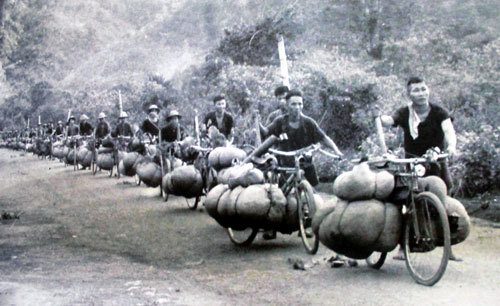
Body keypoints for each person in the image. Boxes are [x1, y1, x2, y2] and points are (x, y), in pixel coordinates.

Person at [376, 76, 459, 261]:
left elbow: (449, 132)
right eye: (416, 90)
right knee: (407, 203)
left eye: (423, 89)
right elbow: (390, 120)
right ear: (409, 94)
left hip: (436, 162)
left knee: (446, 201)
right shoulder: (405, 113)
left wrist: (451, 147)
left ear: (428, 90)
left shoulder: (439, 112)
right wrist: (379, 118)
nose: (421, 93)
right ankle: (402, 248)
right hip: (412, 164)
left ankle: (449, 248)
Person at [259, 89, 343, 240]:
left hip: (305, 162)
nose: (296, 107)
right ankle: (271, 227)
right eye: (293, 104)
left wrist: (337, 151)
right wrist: (256, 123)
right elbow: (266, 134)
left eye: (299, 104)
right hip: (285, 162)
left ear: (302, 105)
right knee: (278, 194)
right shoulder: (280, 122)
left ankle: (308, 224)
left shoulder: (309, 123)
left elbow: (324, 138)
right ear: (287, 105)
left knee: (310, 193)